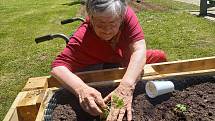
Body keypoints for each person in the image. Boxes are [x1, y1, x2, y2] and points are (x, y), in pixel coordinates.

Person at [51, 0, 167, 120]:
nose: (107, 30)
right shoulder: (83, 36)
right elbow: (58, 67)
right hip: (104, 60)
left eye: (113, 24)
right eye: (100, 25)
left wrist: (126, 86)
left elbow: (139, 49)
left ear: (121, 18)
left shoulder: (127, 15)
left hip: (125, 56)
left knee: (160, 56)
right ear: (91, 18)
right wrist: (82, 89)